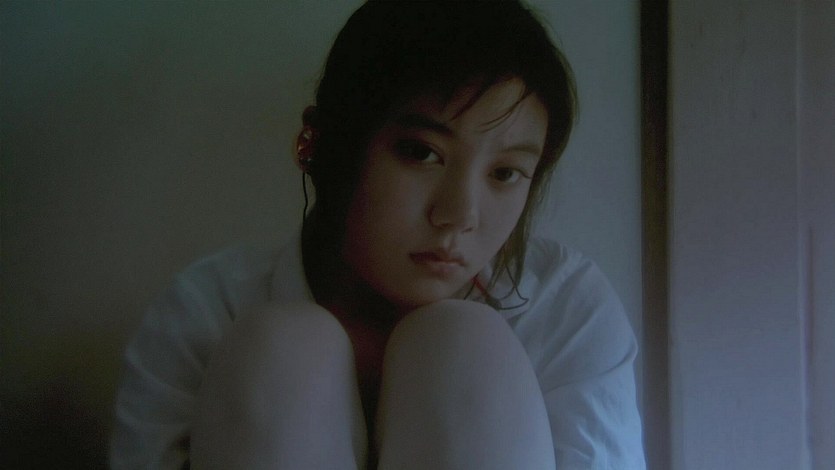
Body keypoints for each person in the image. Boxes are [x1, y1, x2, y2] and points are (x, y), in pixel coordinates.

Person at [111, 1, 645, 469]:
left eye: (505, 173)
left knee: (464, 345)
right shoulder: (208, 311)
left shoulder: (562, 308)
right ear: (323, 143)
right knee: (281, 351)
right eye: (421, 153)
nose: (459, 215)